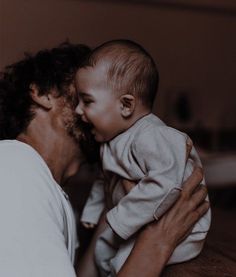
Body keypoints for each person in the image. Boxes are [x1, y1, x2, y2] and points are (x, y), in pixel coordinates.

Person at [0, 42, 209, 277]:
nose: (83, 110)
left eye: (87, 99)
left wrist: (110, 211)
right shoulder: (14, 168)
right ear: (42, 93)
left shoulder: (41, 185)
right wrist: (156, 242)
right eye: (80, 94)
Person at [76, 39, 211, 276]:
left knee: (119, 264)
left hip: (183, 231)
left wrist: (120, 217)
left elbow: (167, 184)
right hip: (136, 220)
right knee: (101, 252)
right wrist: (92, 212)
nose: (78, 110)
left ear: (126, 105)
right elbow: (104, 181)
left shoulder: (153, 136)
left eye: (86, 101)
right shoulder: (111, 141)